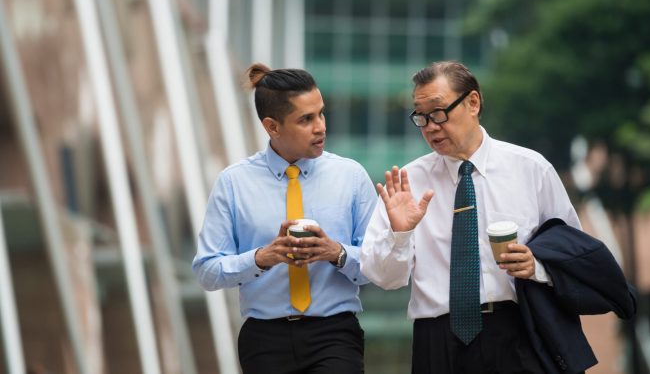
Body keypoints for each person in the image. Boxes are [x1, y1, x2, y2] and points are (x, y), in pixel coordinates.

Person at [360, 61, 583, 374]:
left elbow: (574, 255)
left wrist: (538, 267)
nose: (430, 126)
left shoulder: (531, 170)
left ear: (473, 103)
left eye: (438, 112)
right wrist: (399, 234)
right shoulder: (408, 183)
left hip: (519, 330)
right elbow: (384, 278)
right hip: (437, 339)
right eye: (420, 117)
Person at [193, 63, 377, 374]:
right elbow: (206, 270)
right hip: (264, 339)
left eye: (321, 113)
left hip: (334, 334)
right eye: (306, 119)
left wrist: (337, 253)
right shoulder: (234, 183)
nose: (320, 127)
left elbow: (378, 265)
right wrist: (263, 258)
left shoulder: (351, 177)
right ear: (272, 127)